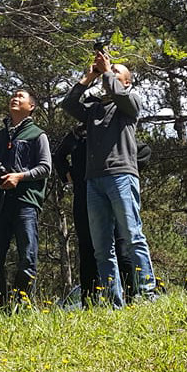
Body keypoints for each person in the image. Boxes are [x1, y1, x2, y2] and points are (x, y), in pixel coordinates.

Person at [62, 51, 156, 306]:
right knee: (102, 246)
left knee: (132, 235)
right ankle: (113, 299)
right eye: (110, 70)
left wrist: (105, 73)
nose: (110, 74)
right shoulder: (93, 110)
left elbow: (125, 99)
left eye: (117, 73)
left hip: (122, 176)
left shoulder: (129, 103)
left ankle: (147, 293)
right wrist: (89, 76)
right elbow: (68, 104)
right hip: (94, 180)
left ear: (126, 82)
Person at [0, 88, 51, 307]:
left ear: (31, 106)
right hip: (0, 204)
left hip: (25, 203)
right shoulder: (0, 136)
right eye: (13, 95)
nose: (14, 98)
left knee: (27, 258)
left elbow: (45, 168)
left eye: (21, 96)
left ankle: (22, 307)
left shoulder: (37, 134)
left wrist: (19, 177)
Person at [54, 124, 133, 306]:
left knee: (121, 246)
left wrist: (127, 171)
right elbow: (59, 156)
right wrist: (69, 176)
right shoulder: (77, 133)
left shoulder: (112, 129)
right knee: (87, 249)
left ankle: (131, 297)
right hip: (83, 197)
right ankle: (90, 303)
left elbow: (141, 150)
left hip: (112, 193)